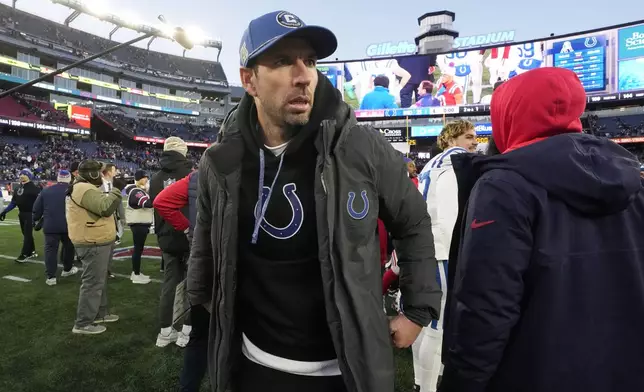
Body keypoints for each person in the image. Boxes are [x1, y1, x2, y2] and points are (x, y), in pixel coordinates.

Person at [188, 10, 440, 392]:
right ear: (248, 80)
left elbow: (413, 222)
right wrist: (203, 297)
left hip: (345, 370)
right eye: (282, 61)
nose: (303, 75)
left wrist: (418, 309)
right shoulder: (221, 160)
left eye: (310, 61)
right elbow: (206, 241)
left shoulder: (361, 147)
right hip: (255, 365)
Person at [440, 67, 644, 392]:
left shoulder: (504, 185)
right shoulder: (631, 179)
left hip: (532, 372)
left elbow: (487, 309)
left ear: (508, 115)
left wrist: (460, 384)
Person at [413, 120, 477, 392]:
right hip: (444, 249)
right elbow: (452, 214)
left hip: (425, 247)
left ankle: (421, 381)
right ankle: (426, 386)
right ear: (451, 139)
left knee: (424, 317)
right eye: (468, 136)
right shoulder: (457, 161)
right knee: (437, 323)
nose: (474, 142)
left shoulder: (431, 163)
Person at [153, 170, 207, 391]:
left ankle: (173, 331)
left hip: (200, 247)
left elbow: (160, 201)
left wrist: (187, 227)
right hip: (235, 252)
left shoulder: (198, 174)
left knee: (199, 312)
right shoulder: (254, 165)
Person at [66, 160, 124, 335]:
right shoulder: (83, 188)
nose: (100, 175)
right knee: (93, 283)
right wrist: (116, 189)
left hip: (96, 240)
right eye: (98, 172)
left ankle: (100, 313)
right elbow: (105, 208)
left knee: (99, 281)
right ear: (91, 174)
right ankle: (83, 323)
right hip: (92, 242)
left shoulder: (83, 187)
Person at [148, 136, 193, 348]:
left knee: (170, 283)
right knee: (194, 284)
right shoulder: (191, 175)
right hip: (188, 235)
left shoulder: (155, 178)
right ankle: (186, 331)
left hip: (166, 237)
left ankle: (165, 331)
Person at [32, 170, 78, 285]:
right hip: (69, 225)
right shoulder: (74, 190)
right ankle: (67, 269)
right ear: (69, 179)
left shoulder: (46, 190)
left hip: (50, 225)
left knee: (50, 251)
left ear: (58, 178)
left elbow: (37, 209)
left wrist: (36, 220)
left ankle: (51, 277)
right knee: (69, 248)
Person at [0, 168, 40, 262]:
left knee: (27, 234)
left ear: (29, 176)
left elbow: (40, 202)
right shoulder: (18, 187)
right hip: (21, 214)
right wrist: (5, 211)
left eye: (24, 174)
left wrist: (39, 215)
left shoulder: (34, 189)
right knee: (26, 234)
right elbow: (13, 203)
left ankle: (24, 254)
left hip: (30, 214)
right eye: (21, 174)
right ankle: (32, 251)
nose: (21, 176)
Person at [124, 170, 153, 284]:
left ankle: (136, 272)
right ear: (139, 179)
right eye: (144, 177)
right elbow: (147, 203)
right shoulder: (136, 191)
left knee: (139, 249)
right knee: (137, 249)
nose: (146, 179)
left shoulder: (139, 190)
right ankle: (135, 274)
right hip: (138, 224)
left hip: (141, 223)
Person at [101, 163, 125, 279]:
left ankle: (108, 270)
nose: (116, 172)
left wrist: (122, 217)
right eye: (114, 170)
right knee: (102, 248)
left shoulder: (114, 185)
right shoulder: (97, 185)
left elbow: (119, 202)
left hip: (113, 220)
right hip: (101, 220)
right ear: (109, 172)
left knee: (111, 247)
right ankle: (100, 270)